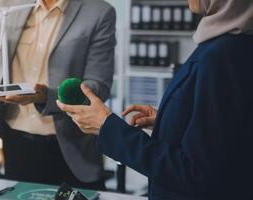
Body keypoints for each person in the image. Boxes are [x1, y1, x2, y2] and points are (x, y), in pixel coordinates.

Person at [57, 0, 253, 199]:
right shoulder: (227, 46)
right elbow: (224, 138)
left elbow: (195, 173)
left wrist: (107, 126)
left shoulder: (222, 57)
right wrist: (170, 120)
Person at [0, 0, 116, 190]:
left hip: (71, 146)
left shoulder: (99, 12)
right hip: (16, 141)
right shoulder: (9, 5)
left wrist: (45, 96)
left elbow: (97, 87)